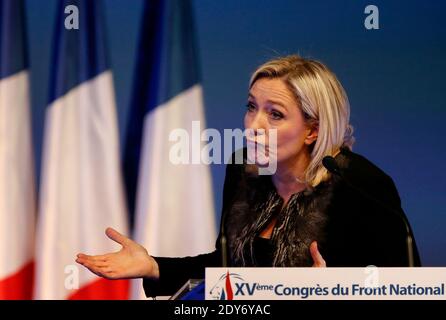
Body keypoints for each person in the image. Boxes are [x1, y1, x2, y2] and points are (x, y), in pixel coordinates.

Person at [76, 55, 421, 297]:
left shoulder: (361, 186)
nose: (253, 126)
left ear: (312, 131)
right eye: (251, 107)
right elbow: (228, 268)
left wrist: (337, 291)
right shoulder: (246, 173)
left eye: (274, 114)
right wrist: (153, 266)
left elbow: (405, 288)